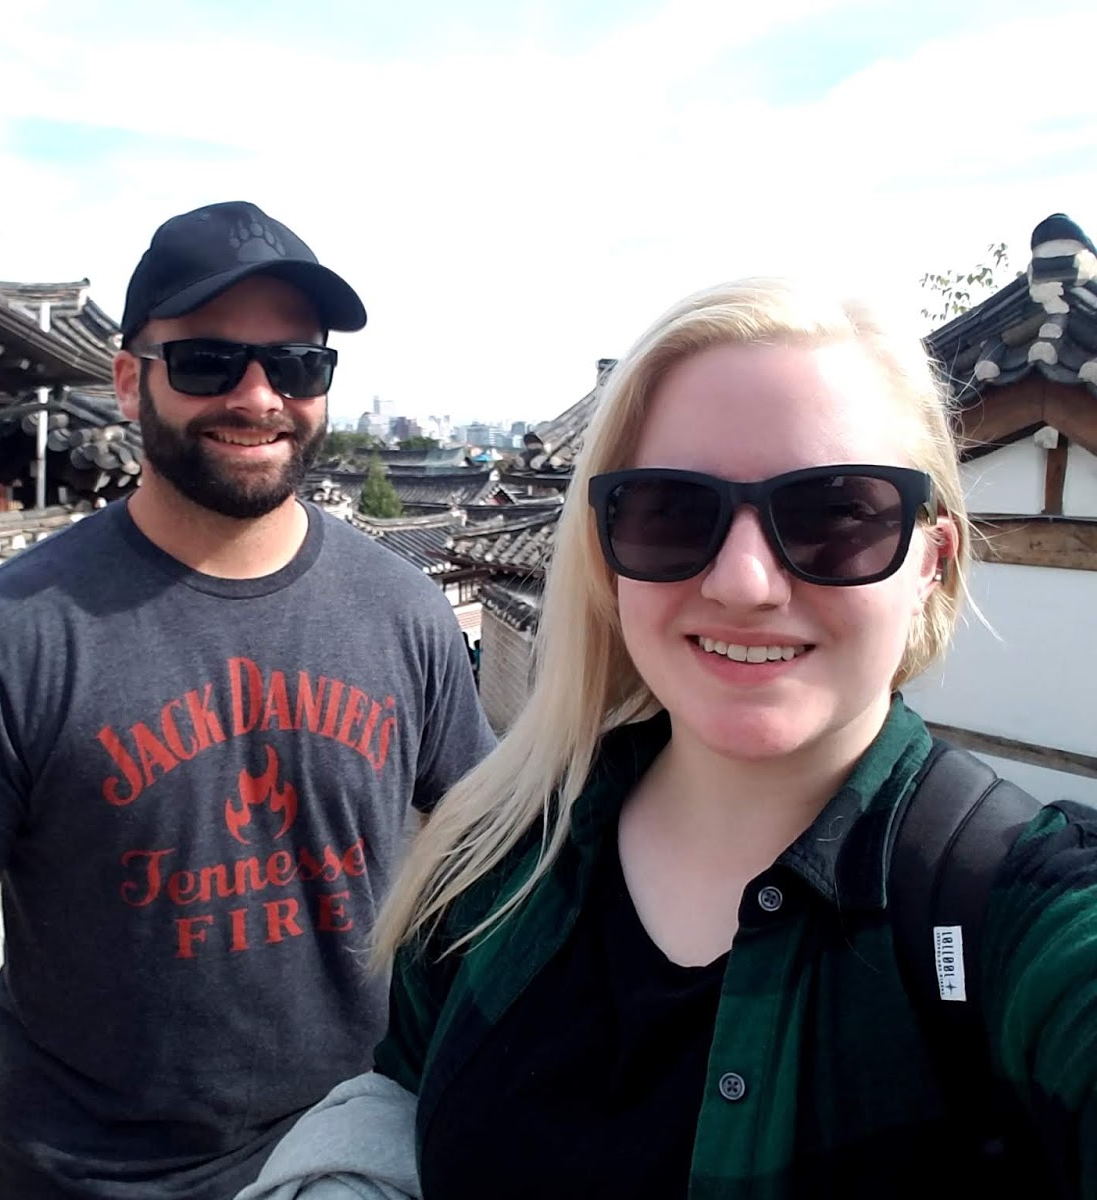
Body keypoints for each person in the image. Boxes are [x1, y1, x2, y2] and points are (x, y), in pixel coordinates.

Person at [368, 278, 1097, 1197]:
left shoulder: (1017, 922)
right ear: (606, 551)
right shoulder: (494, 862)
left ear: (931, 563)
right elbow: (396, 1097)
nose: (743, 583)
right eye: (672, 511)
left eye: (837, 514)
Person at [0, 200, 495, 1200]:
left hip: (348, 1153)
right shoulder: (7, 638)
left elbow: (495, 852)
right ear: (129, 381)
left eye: (297, 364)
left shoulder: (402, 611)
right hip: (91, 1177)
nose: (258, 395)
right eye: (206, 362)